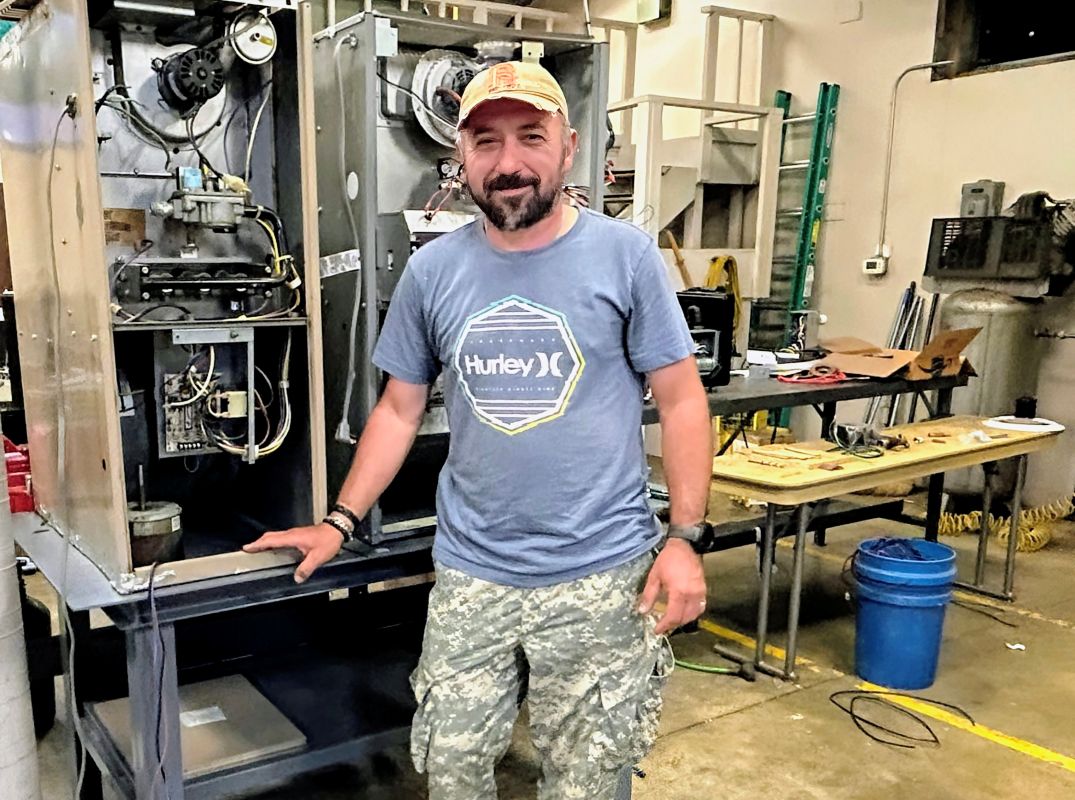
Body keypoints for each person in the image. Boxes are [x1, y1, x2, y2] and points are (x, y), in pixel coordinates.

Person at [244, 61, 713, 800]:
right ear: (459, 158)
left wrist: (684, 540)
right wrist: (338, 520)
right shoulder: (435, 273)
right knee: (452, 771)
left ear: (568, 147)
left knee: (588, 782)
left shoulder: (625, 258)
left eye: (530, 136)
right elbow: (399, 410)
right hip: (470, 576)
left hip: (599, 576)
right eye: (485, 141)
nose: (508, 162)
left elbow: (682, 402)